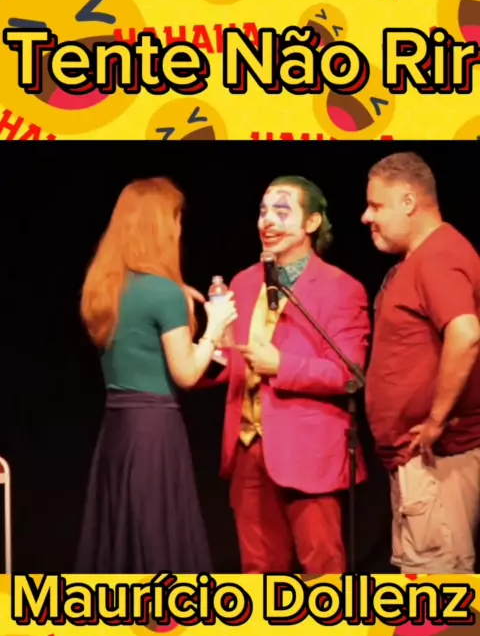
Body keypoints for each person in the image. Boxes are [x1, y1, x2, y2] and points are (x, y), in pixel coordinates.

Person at [208, 176, 371, 574]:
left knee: (322, 570)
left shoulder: (341, 288)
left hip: (308, 452)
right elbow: (232, 361)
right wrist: (204, 347)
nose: (268, 221)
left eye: (282, 212)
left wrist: (282, 365)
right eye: (263, 211)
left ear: (312, 223)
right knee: (258, 572)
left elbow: (349, 373)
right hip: (248, 449)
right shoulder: (244, 282)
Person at [76, 177, 237, 573]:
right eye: (177, 219)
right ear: (163, 226)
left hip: (118, 430)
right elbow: (186, 373)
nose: (180, 230)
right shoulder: (162, 293)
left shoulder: (105, 288)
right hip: (154, 433)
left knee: (124, 540)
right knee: (157, 539)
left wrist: (176, 296)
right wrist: (216, 325)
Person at [362, 151, 480, 574]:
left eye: (376, 205)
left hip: (437, 462)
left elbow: (466, 334)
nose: (366, 217)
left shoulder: (438, 255)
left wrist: (435, 420)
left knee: (438, 587)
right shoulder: (421, 259)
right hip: (418, 465)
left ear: (408, 201)